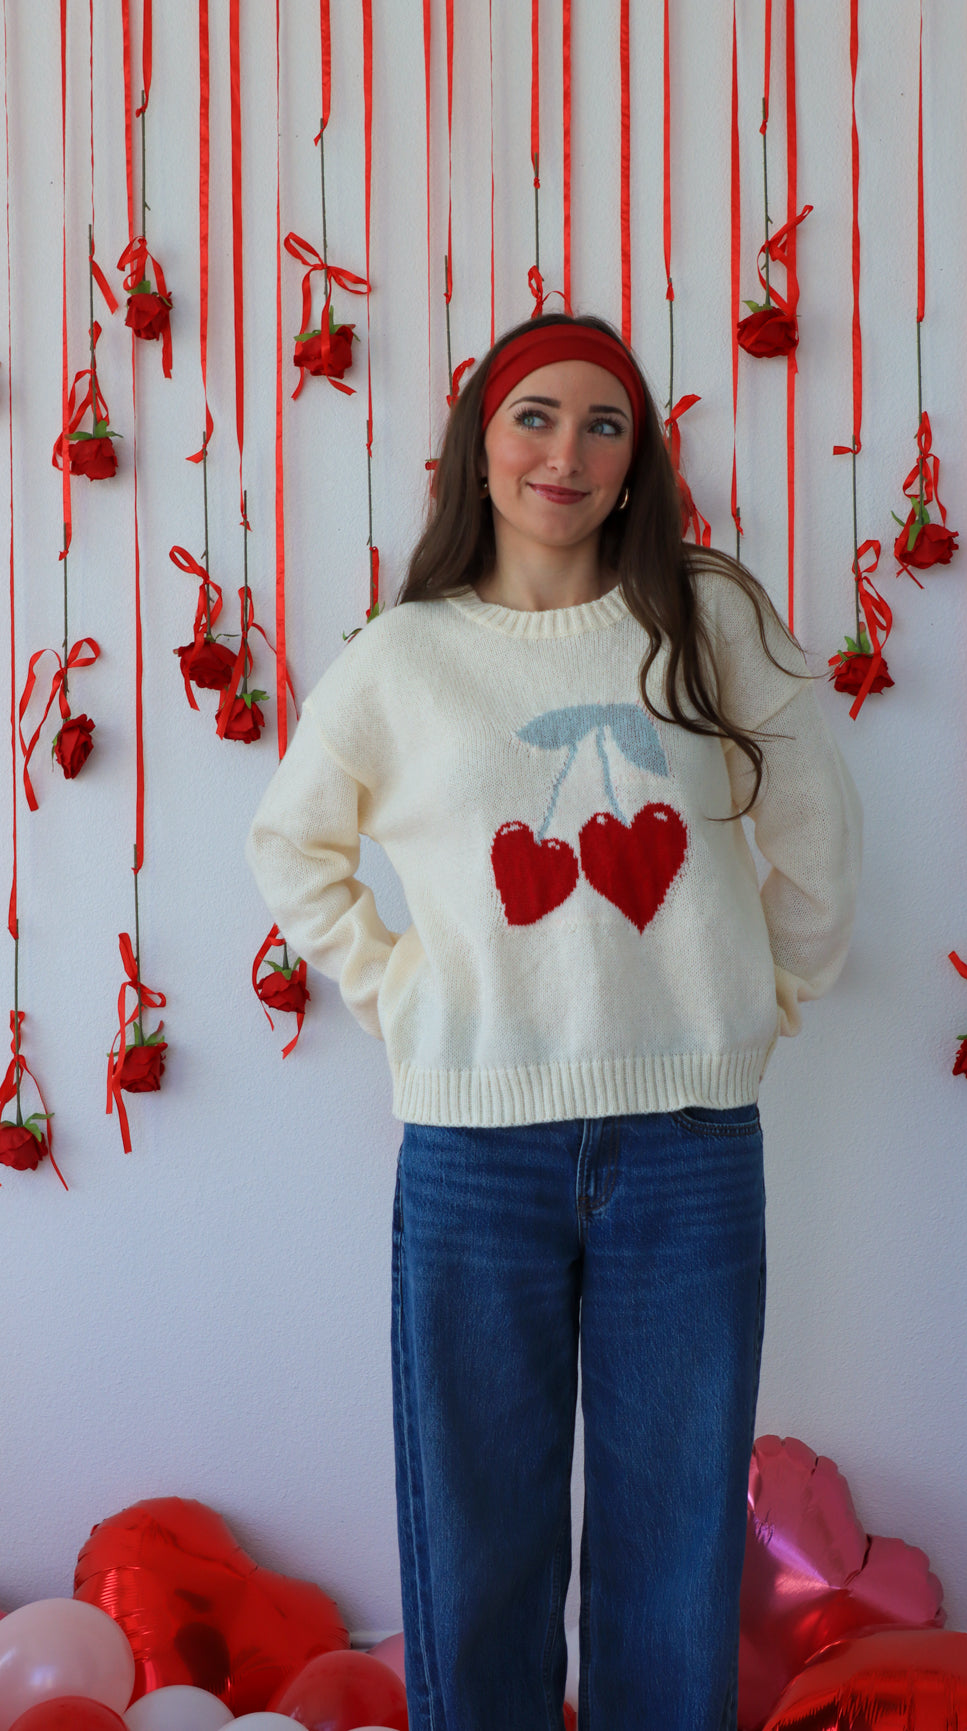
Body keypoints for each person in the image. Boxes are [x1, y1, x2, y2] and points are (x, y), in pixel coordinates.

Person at [246, 311, 862, 1731]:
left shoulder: (709, 617)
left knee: (676, 1530)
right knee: (476, 1530)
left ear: (638, 457)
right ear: (477, 446)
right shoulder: (406, 655)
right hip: (474, 1150)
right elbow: (294, 847)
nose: (564, 451)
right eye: (533, 416)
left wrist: (767, 995)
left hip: (689, 1146)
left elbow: (816, 828)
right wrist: (395, 986)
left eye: (603, 422)